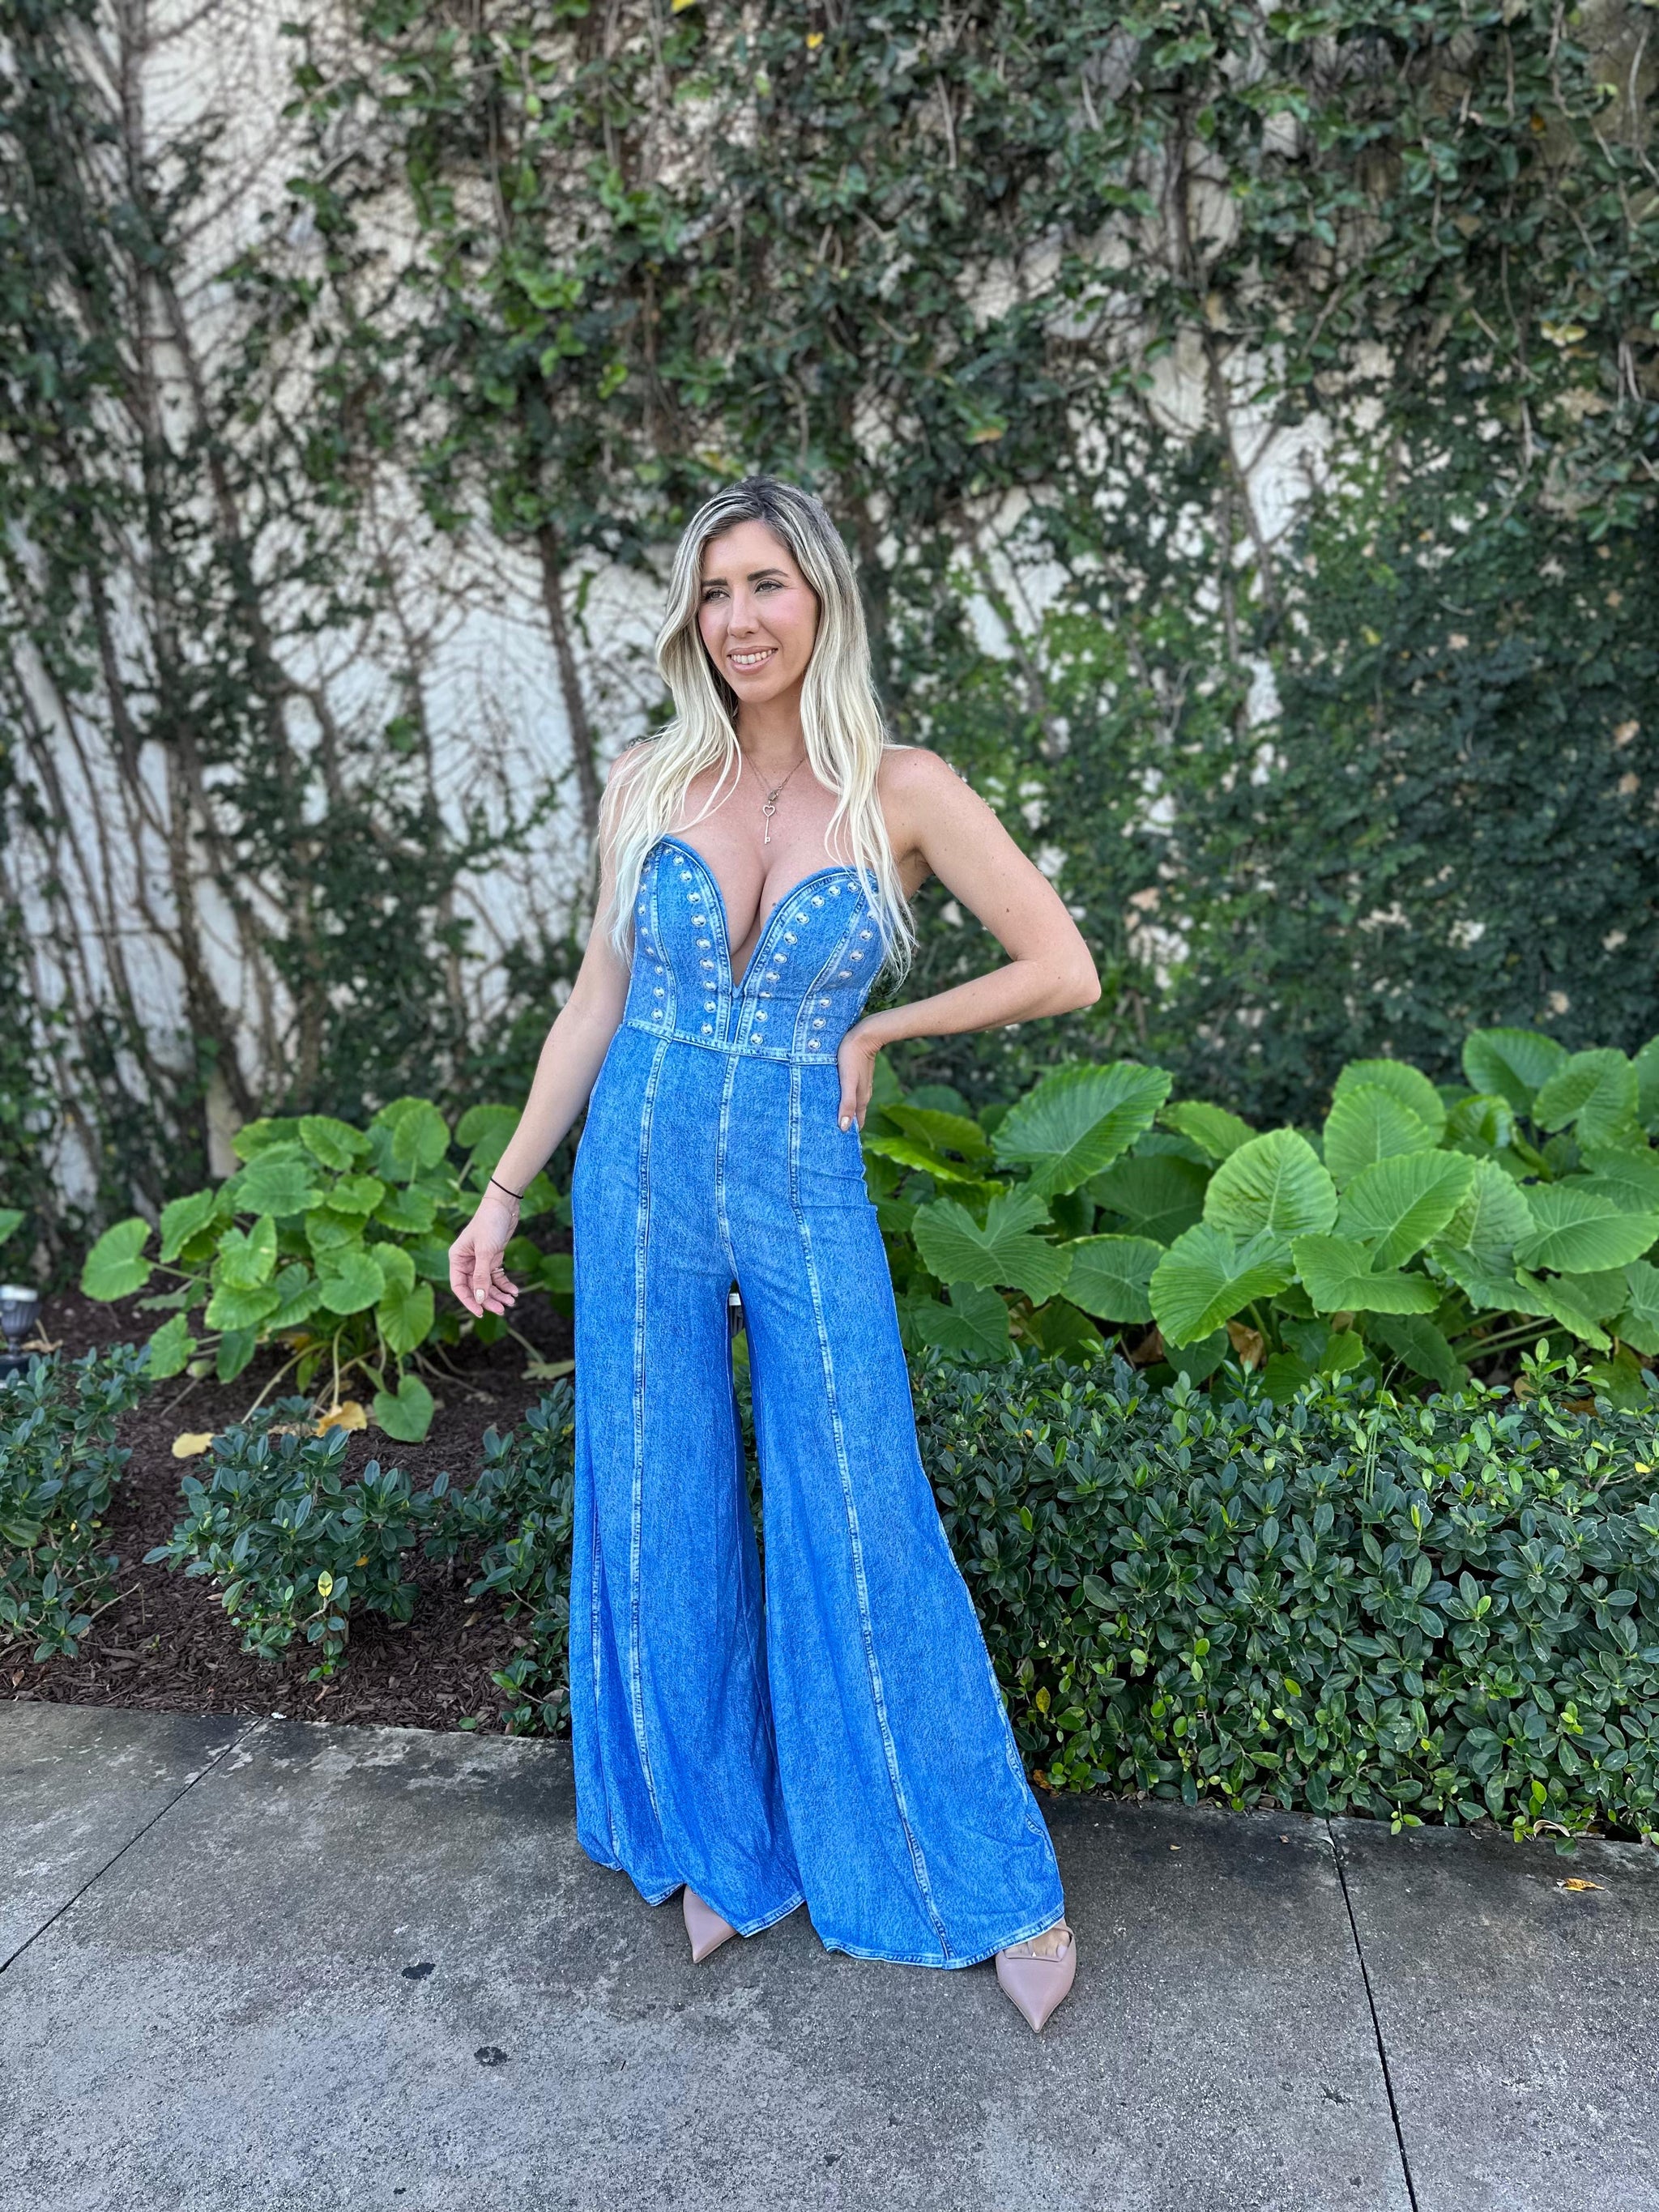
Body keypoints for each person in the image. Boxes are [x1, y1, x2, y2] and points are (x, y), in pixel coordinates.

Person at [449, 476, 1098, 2032]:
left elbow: (1062, 967)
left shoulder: (905, 790)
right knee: (657, 1492)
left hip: (804, 1173)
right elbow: (595, 1000)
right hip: (642, 1170)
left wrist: (883, 1024)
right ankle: (714, 1840)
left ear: (823, 601)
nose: (739, 619)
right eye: (715, 591)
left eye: (768, 585)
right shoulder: (646, 782)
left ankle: (964, 1870)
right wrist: (503, 1194)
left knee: (859, 1494)